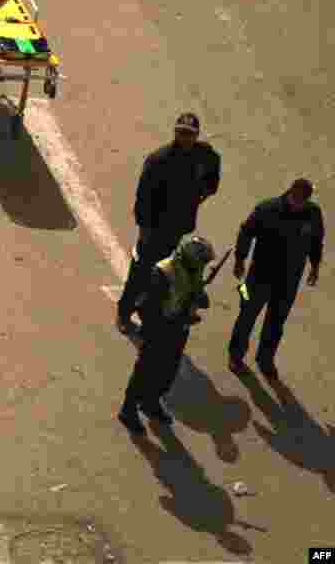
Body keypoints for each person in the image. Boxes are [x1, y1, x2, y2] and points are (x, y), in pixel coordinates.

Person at [116, 113, 221, 336]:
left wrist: (203, 193)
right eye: (181, 132)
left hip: (179, 226)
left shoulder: (204, 155)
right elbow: (143, 197)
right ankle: (124, 313)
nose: (185, 137)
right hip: (154, 227)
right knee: (141, 271)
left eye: (189, 134)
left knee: (166, 274)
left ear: (196, 135)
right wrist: (144, 229)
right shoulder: (159, 160)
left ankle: (150, 316)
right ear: (175, 132)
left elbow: (212, 176)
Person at [118, 234, 216, 435]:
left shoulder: (192, 269)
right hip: (159, 330)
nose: (203, 266)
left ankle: (151, 402)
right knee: (145, 370)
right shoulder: (163, 272)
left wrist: (199, 298)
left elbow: (194, 290)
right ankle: (128, 410)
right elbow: (146, 307)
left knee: (167, 371)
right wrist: (171, 322)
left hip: (178, 331)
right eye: (202, 262)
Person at [228, 178, 324, 380]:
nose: (299, 204)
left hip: (288, 282)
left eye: (304, 200)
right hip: (258, 278)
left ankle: (265, 360)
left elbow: (316, 241)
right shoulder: (267, 209)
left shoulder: (313, 213)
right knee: (246, 316)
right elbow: (246, 232)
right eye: (297, 199)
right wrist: (239, 259)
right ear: (290, 192)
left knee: (276, 322)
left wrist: (315, 267)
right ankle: (235, 356)